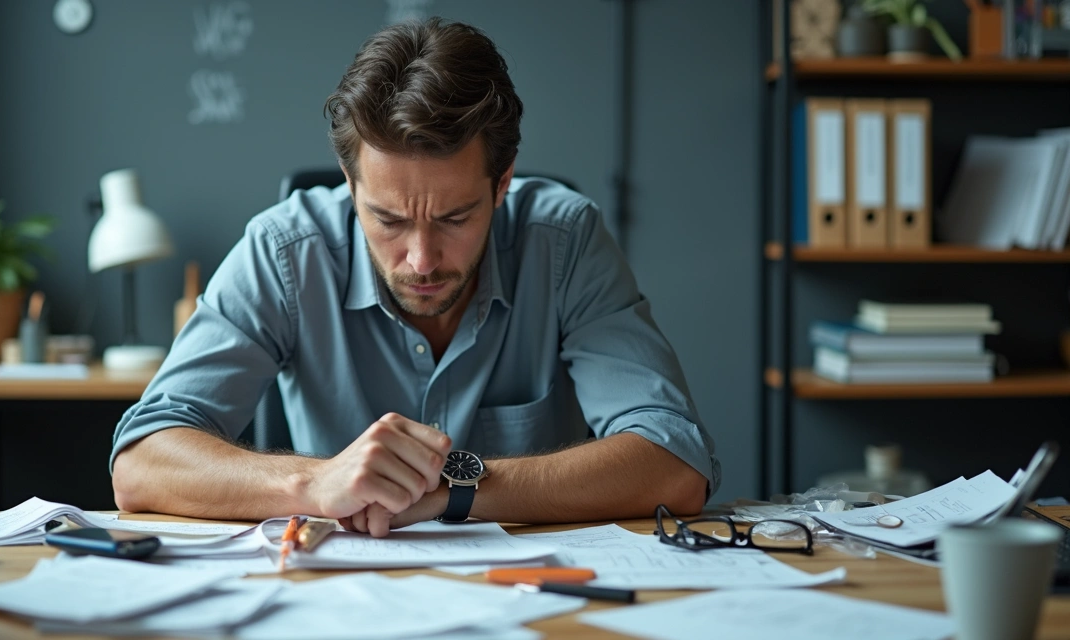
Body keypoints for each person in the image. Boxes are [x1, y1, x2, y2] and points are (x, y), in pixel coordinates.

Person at [111, 18, 719, 537]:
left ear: (501, 183)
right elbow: (142, 462)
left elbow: (674, 460)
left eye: (455, 217)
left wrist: (458, 487)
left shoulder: (565, 241)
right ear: (350, 187)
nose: (422, 259)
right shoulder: (284, 250)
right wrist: (317, 482)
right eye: (388, 219)